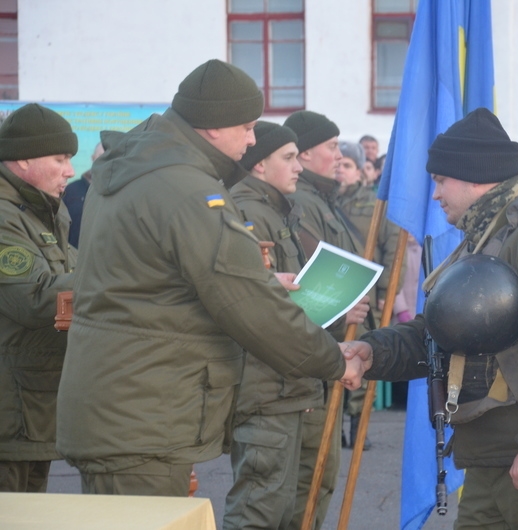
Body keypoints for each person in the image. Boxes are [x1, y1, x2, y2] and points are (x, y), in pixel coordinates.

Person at [55, 60, 367, 497]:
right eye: (247, 127)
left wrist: (257, 283)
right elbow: (247, 305)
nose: (253, 140)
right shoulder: (186, 189)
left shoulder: (141, 171)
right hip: (145, 413)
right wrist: (334, 359)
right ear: (213, 127)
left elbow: (151, 281)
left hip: (123, 403)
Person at [343, 108, 518, 529]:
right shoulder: (486, 241)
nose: (435, 194)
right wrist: (372, 352)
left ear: (474, 177)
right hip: (495, 457)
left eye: (441, 181)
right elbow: (444, 334)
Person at [223, 121, 329, 529]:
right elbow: (253, 304)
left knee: (286, 508)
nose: (299, 166)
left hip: (288, 380)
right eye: (288, 158)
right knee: (258, 510)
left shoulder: (277, 208)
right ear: (258, 166)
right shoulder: (248, 212)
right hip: (265, 383)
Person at [284, 111, 367, 529]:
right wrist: (342, 308)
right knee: (307, 482)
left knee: (320, 481)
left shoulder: (321, 201)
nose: (339, 155)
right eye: (332, 147)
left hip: (327, 356)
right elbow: (305, 286)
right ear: (304, 152)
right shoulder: (302, 203)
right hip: (311, 359)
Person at [0, 103, 78, 493]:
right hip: (10, 408)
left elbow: (77, 269)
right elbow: (33, 298)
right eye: (60, 158)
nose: (71, 171)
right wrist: (115, 274)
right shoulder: (4, 215)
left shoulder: (42, 211)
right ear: (23, 157)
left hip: (34, 401)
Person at [335, 140, 404, 450]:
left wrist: (387, 291)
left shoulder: (376, 205)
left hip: (364, 296)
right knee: (332, 362)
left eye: (347, 165)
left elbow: (392, 250)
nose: (341, 171)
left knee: (361, 360)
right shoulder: (321, 201)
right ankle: (334, 429)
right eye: (337, 164)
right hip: (333, 293)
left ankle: (357, 429)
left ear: (361, 170)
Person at [62, 141, 104, 248]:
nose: (105, 160)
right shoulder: (70, 191)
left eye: (109, 156)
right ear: (92, 158)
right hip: (73, 259)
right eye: (101, 156)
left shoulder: (123, 192)